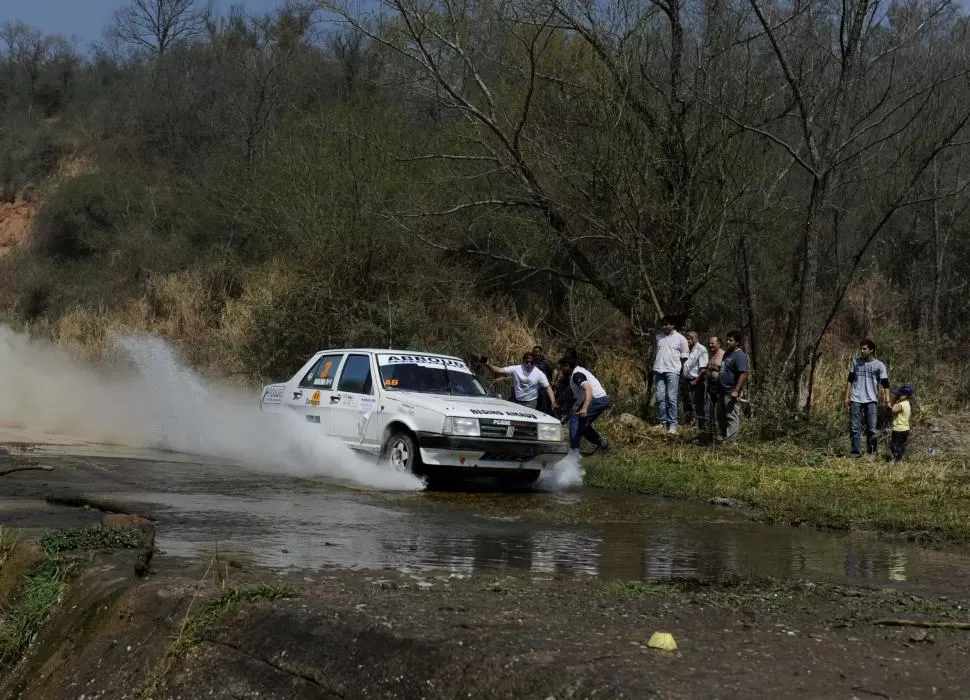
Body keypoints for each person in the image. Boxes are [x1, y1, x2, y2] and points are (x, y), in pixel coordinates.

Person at [843, 338, 890, 457]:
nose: (862, 351)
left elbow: (885, 384)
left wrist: (887, 399)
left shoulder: (879, 365)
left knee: (872, 429)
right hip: (856, 399)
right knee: (854, 428)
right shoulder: (856, 362)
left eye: (865, 349)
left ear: (871, 350)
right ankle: (855, 453)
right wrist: (846, 396)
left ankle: (871, 453)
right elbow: (850, 380)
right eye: (861, 348)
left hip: (871, 400)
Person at [558, 355, 611, 458]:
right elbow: (574, 393)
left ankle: (574, 454)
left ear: (567, 366)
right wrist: (559, 401)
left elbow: (588, 390)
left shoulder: (577, 375)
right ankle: (604, 445)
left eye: (561, 368)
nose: (561, 370)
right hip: (599, 399)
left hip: (596, 399)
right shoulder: (576, 373)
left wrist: (584, 408)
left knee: (575, 421)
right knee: (583, 425)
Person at [652, 316, 689, 434]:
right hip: (659, 369)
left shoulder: (681, 339)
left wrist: (679, 370)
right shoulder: (659, 337)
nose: (664, 327)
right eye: (663, 325)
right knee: (660, 397)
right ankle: (663, 422)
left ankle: (673, 424)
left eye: (666, 324)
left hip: (672, 371)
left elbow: (684, 357)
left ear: (673, 325)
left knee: (671, 398)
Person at [483, 352, 557, 411]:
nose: (529, 364)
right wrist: (488, 365)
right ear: (523, 361)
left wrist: (553, 402)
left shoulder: (539, 373)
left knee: (526, 421)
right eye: (527, 362)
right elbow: (499, 370)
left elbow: (548, 388)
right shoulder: (516, 369)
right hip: (516, 399)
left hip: (530, 402)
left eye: (531, 362)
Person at [715, 330, 748, 443]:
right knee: (720, 415)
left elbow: (743, 374)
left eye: (731, 340)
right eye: (727, 339)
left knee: (731, 416)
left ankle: (731, 441)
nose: (727, 342)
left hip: (731, 391)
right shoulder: (727, 353)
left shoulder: (740, 355)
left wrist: (736, 390)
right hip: (722, 390)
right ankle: (723, 438)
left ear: (737, 342)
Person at [681, 331, 709, 430]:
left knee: (699, 405)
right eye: (686, 338)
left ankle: (702, 427)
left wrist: (696, 381)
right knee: (687, 404)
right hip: (686, 380)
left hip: (697, 381)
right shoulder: (687, 350)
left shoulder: (701, 349)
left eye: (689, 338)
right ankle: (689, 425)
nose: (687, 340)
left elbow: (703, 369)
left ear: (696, 338)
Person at [703, 335, 725, 443]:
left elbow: (726, 370)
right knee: (708, 410)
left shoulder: (723, 354)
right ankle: (710, 434)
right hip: (710, 386)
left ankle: (721, 435)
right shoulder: (711, 354)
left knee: (720, 412)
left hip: (719, 386)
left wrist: (716, 368)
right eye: (709, 343)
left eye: (713, 343)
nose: (710, 345)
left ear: (719, 344)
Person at [887, 385, 912, 462]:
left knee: (895, 445)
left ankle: (896, 460)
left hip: (899, 429)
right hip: (905, 429)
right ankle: (901, 458)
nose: (897, 396)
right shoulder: (907, 404)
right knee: (902, 445)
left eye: (899, 394)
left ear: (905, 396)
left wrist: (895, 402)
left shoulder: (902, 404)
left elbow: (893, 410)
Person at [532, 345, 555, 415]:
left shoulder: (545, 362)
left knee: (544, 406)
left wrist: (552, 382)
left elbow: (555, 371)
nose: (536, 353)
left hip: (544, 387)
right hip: (534, 387)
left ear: (541, 352)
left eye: (537, 352)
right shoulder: (531, 362)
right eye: (534, 352)